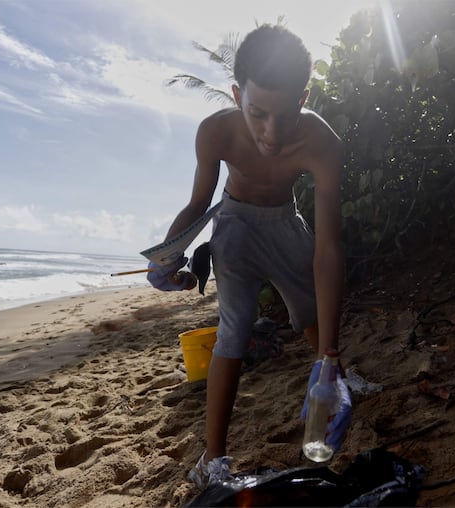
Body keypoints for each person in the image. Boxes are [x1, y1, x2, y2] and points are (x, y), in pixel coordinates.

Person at [147, 24, 351, 487]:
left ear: (304, 97)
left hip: (285, 221)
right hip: (235, 225)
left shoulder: (323, 144)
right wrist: (167, 253)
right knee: (233, 330)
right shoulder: (215, 132)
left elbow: (328, 245)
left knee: (309, 311)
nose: (271, 135)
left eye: (285, 115)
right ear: (238, 94)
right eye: (257, 112)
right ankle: (214, 460)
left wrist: (332, 354)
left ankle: (334, 375)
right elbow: (199, 204)